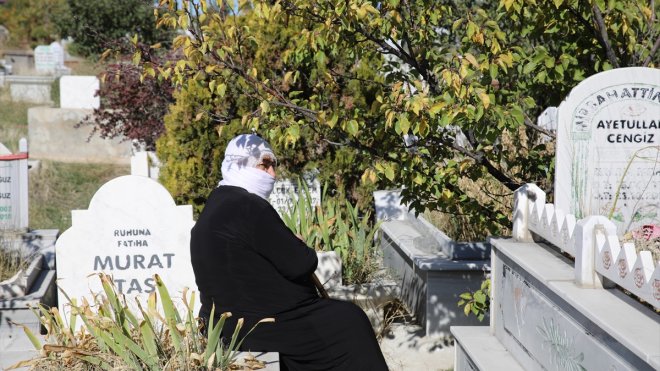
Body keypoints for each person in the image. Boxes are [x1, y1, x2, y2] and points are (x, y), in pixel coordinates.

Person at [190, 134, 389, 371]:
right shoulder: (249, 206)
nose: (272, 174)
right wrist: (301, 244)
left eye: (274, 165)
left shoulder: (214, 208)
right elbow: (300, 263)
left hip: (228, 326)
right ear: (240, 163)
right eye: (264, 164)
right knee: (349, 321)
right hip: (266, 326)